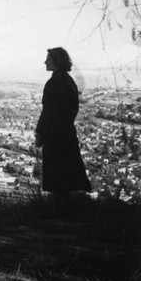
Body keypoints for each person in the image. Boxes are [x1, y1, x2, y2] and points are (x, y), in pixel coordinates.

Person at [35, 47, 91, 195]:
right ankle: (67, 210)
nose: (45, 62)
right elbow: (73, 109)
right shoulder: (69, 81)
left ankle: (59, 211)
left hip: (54, 135)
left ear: (57, 61)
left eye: (49, 59)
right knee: (67, 175)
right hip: (66, 132)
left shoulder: (54, 82)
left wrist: (40, 132)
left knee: (56, 177)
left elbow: (48, 111)